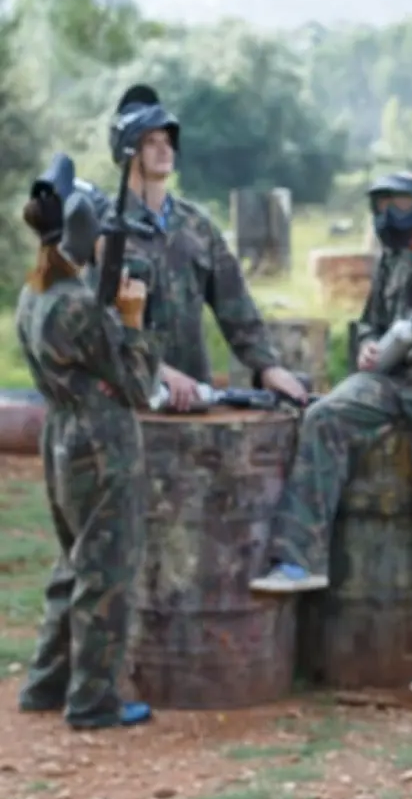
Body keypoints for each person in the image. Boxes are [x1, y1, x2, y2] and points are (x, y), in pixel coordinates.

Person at [252, 171, 412, 701]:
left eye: (405, 214)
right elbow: (371, 322)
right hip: (396, 381)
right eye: (385, 213)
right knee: (325, 415)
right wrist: (370, 349)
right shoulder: (394, 254)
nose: (399, 227)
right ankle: (299, 557)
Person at [15, 154, 159, 730]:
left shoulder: (39, 285)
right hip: (101, 440)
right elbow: (138, 384)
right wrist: (131, 318)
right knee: (106, 570)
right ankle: (93, 700)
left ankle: (46, 683)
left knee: (71, 564)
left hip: (61, 434)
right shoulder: (77, 304)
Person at [105, 84, 306, 409]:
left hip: (195, 397)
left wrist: (268, 366)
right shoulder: (107, 230)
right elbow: (98, 325)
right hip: (128, 403)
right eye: (151, 142)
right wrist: (160, 372)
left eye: (168, 141)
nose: (164, 150)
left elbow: (236, 305)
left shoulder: (197, 225)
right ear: (128, 152)